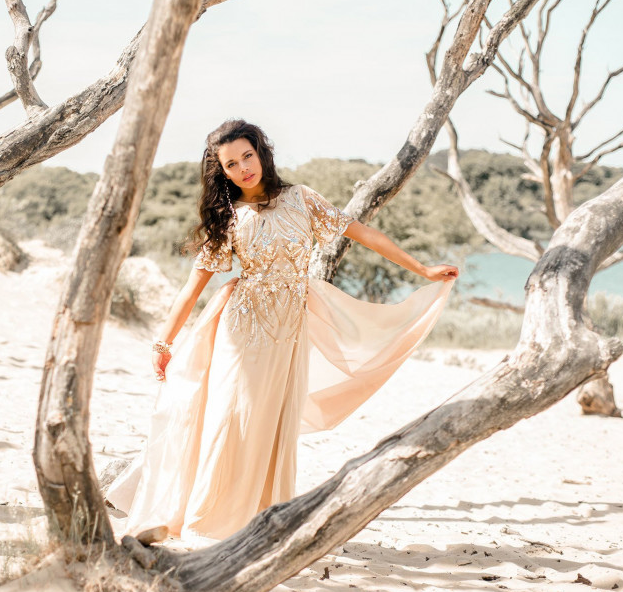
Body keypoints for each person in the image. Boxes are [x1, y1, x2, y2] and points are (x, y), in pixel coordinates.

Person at [105, 119, 458, 544]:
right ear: (223, 172)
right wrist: (164, 341)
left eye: (247, 156)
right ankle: (202, 517)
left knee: (269, 424)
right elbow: (192, 285)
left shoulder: (301, 199)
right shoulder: (229, 216)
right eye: (231, 164)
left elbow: (361, 233)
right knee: (230, 417)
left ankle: (257, 521)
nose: (242, 169)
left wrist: (421, 268)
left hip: (289, 327)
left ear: (262, 153)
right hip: (242, 326)